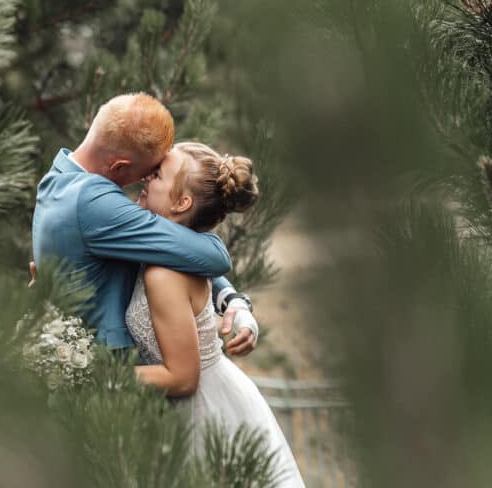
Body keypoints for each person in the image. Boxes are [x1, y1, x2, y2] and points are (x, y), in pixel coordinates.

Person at [125, 142, 305, 486]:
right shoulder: (174, 252)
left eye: (159, 174)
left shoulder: (163, 273)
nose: (147, 175)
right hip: (212, 398)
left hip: (204, 412)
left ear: (182, 203)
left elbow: (182, 378)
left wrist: (103, 374)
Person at [31, 93, 258, 355]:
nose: (147, 179)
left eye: (156, 173)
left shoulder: (59, 178)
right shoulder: (92, 202)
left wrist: (231, 299)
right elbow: (214, 255)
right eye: (151, 170)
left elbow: (165, 244)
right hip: (111, 377)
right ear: (118, 167)